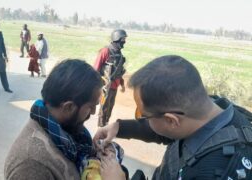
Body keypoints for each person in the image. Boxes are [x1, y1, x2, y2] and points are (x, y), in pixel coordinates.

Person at [93, 55, 252, 180]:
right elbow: (166, 130)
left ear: (171, 120)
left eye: (143, 115)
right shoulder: (207, 109)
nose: (142, 118)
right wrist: (119, 127)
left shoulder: (215, 172)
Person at [4, 59, 104, 180]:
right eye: (91, 106)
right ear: (69, 107)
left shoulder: (69, 133)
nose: (93, 112)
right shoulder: (32, 166)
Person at [94, 29, 127, 127]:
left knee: (110, 107)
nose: (124, 41)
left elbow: (119, 72)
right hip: (105, 86)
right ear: (117, 39)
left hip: (114, 87)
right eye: (123, 39)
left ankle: (106, 125)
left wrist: (122, 84)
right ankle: (100, 128)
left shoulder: (120, 55)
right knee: (103, 107)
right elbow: (96, 68)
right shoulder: (105, 51)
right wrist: (96, 85)